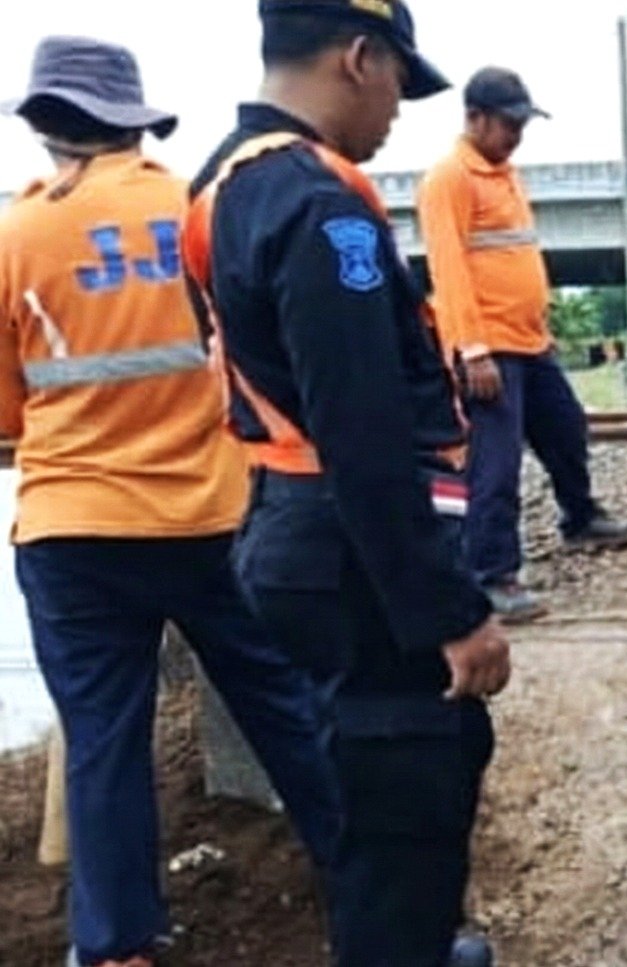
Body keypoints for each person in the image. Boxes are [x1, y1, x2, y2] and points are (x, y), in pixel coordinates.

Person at [0, 36, 339, 967]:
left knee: (104, 740)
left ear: (47, 124)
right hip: (212, 514)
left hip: (73, 531)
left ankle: (116, 947)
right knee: (286, 703)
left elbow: (7, 409)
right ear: (134, 122)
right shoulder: (195, 205)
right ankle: (373, 891)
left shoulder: (16, 234)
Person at [182, 2, 508, 963]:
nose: (400, 109)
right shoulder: (318, 207)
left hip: (292, 528)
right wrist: (451, 610)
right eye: (400, 82)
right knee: (410, 785)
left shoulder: (223, 185)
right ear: (359, 57)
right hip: (350, 551)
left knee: (368, 790)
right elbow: (362, 431)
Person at [418, 65, 627, 621]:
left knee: (565, 427)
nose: (516, 135)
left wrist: (541, 324)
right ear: (475, 118)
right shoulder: (449, 179)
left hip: (529, 341)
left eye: (521, 125)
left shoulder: (506, 173)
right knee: (495, 465)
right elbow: (449, 269)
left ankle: (580, 516)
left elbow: (516, 257)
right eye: (509, 125)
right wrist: (471, 350)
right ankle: (493, 573)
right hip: (488, 347)